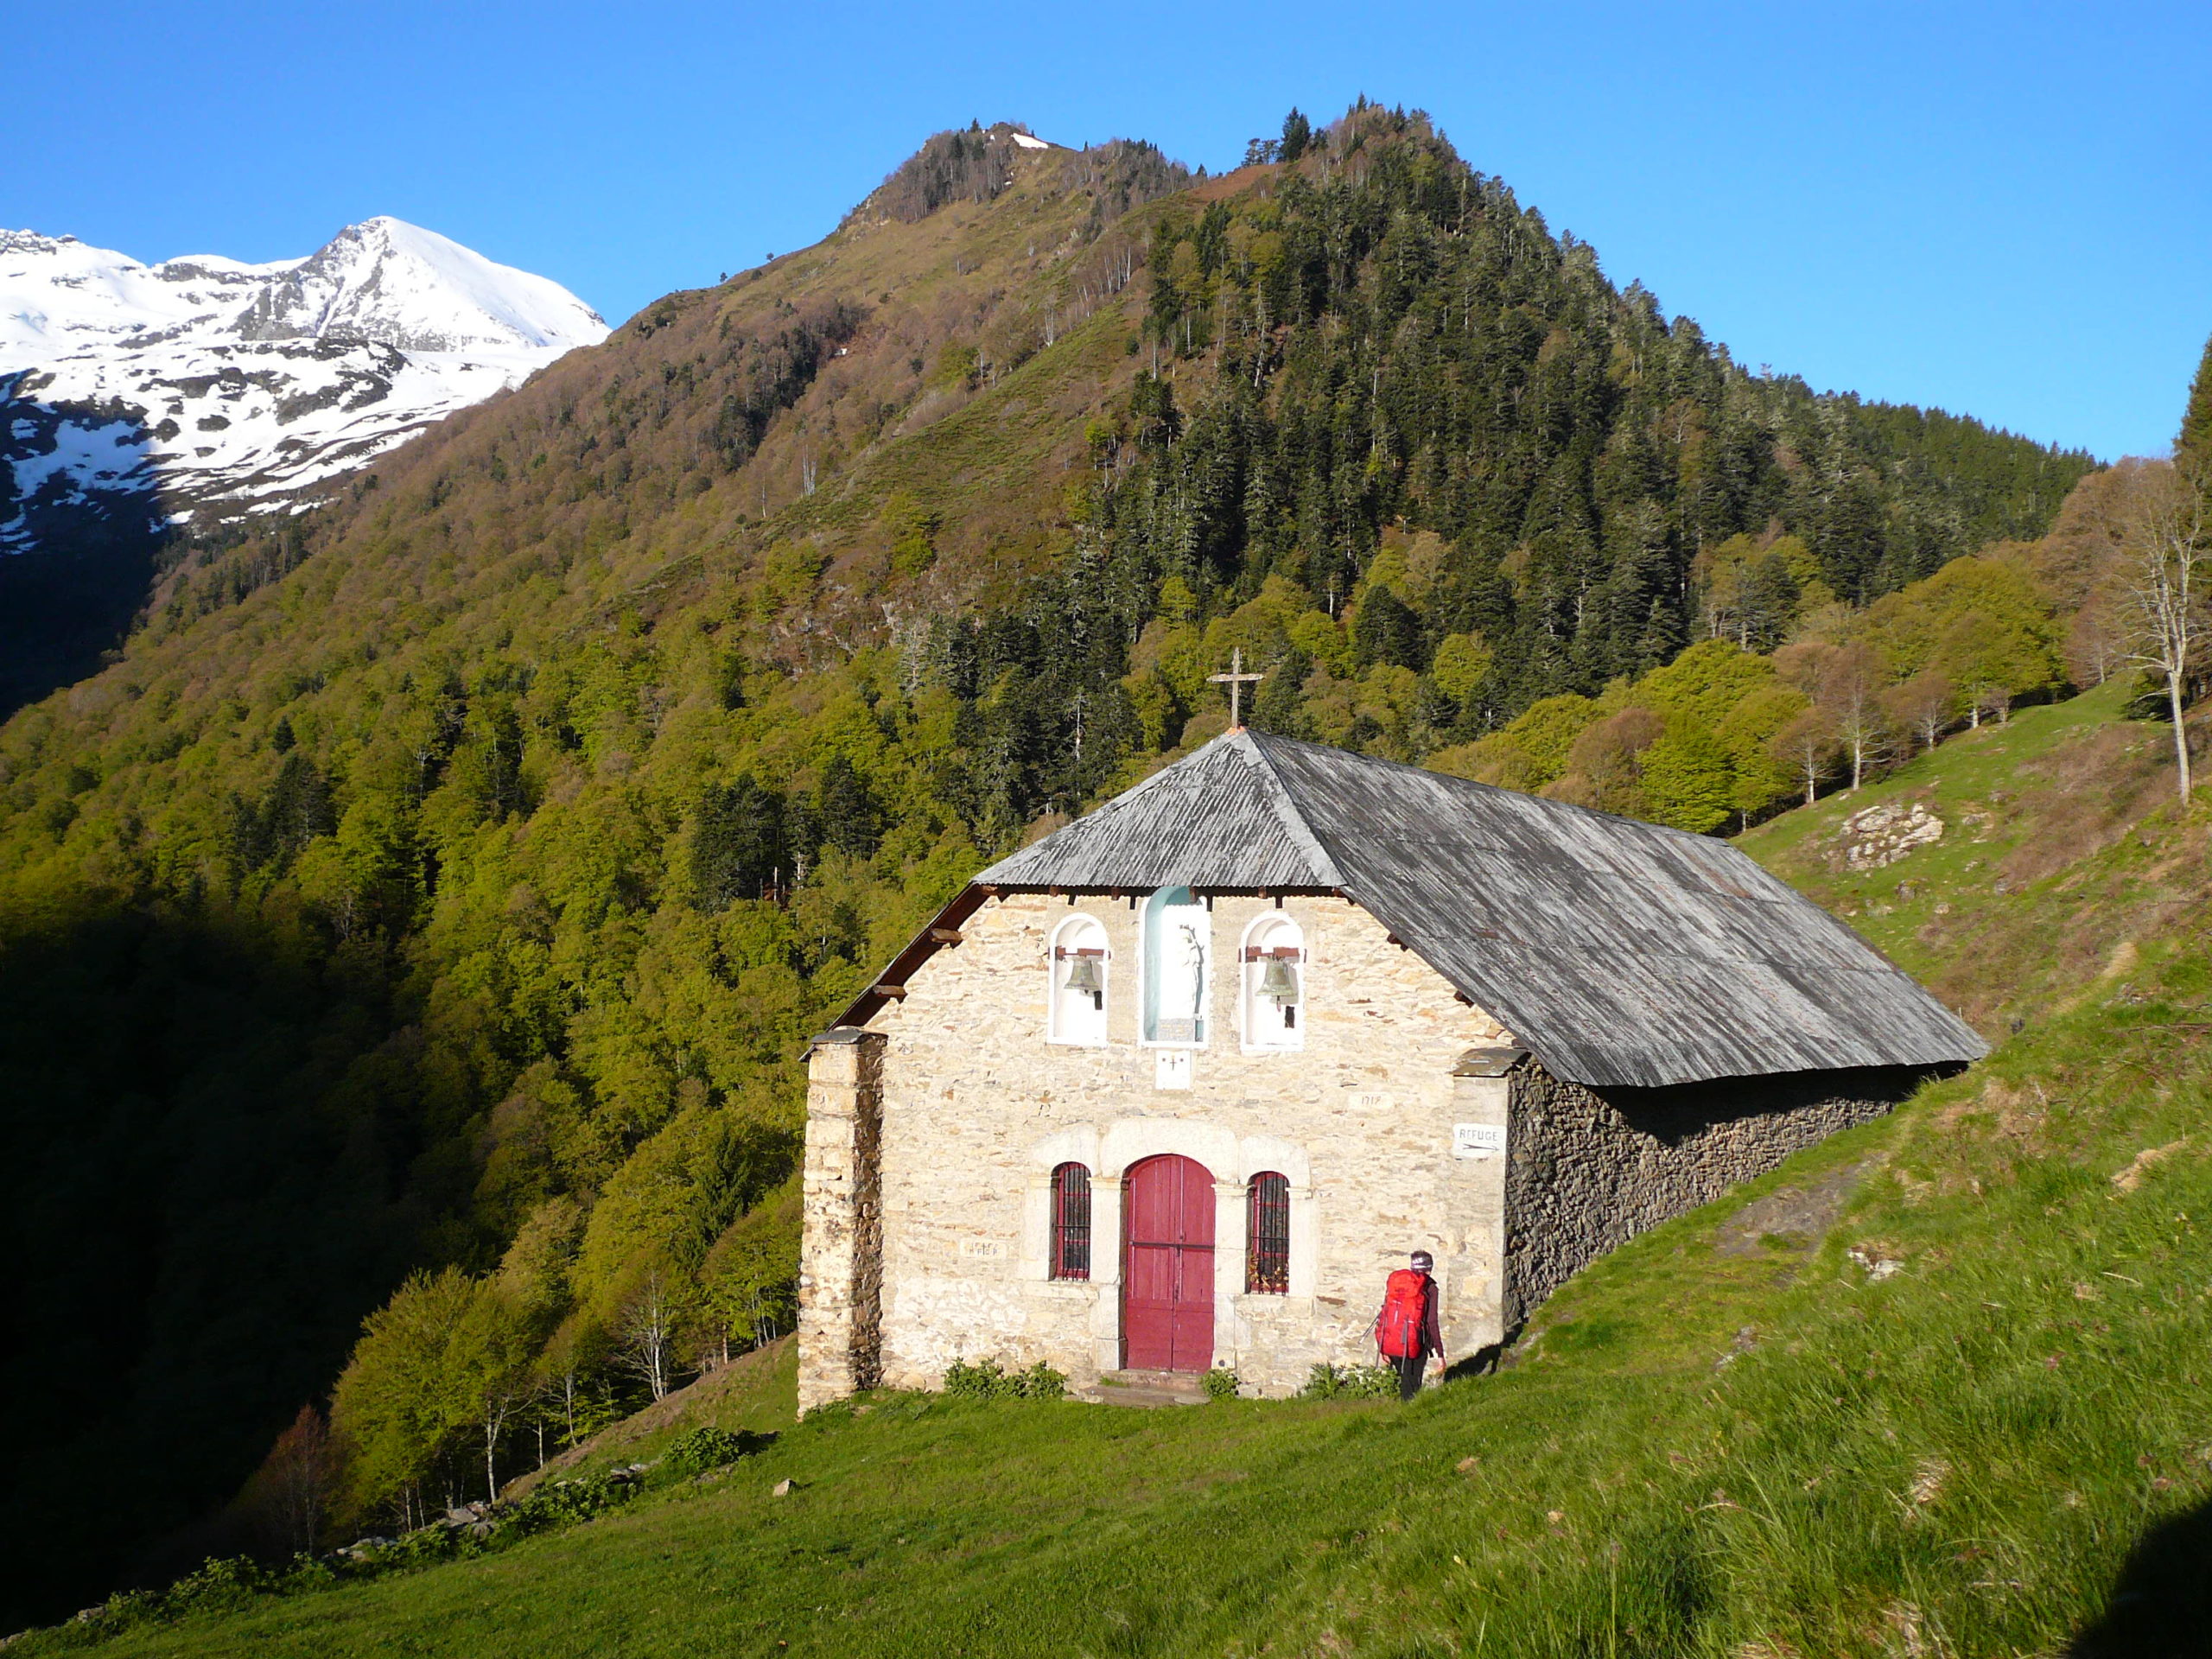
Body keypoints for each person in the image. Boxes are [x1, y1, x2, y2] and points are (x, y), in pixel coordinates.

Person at [1373, 1249, 1444, 1401]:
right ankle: (1412, 1411)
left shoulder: (1398, 1284)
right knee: (1413, 1384)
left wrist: (1383, 1346)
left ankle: (1407, 1409)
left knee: (1405, 1380)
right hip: (1416, 1342)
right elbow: (1432, 1322)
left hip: (1394, 1341)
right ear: (1429, 1268)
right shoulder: (1430, 1288)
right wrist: (1440, 1354)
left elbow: (1386, 1313)